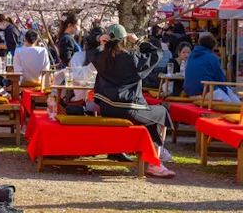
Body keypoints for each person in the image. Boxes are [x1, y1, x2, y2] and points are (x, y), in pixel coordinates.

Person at [87, 24, 176, 178]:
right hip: (129, 108)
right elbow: (156, 54)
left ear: (106, 40)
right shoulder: (131, 58)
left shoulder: (100, 58)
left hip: (106, 106)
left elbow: (89, 44)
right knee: (161, 111)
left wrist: (97, 38)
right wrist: (138, 41)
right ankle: (156, 159)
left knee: (150, 120)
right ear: (123, 41)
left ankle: (156, 159)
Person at [184, 34, 240, 102]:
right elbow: (219, 78)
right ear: (213, 47)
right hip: (206, 90)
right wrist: (225, 91)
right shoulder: (212, 58)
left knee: (229, 92)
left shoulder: (191, 56)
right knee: (228, 101)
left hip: (190, 91)